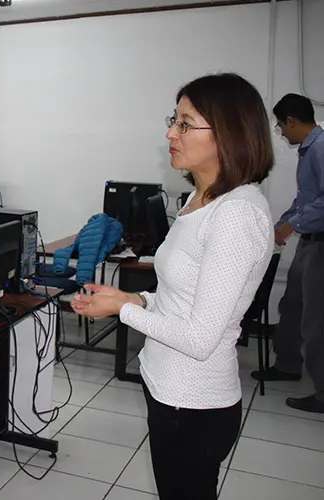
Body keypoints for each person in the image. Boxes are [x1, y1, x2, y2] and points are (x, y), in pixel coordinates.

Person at [72, 73, 274, 500]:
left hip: (194, 403)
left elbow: (201, 339)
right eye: (173, 120)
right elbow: (178, 298)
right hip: (166, 386)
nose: (170, 132)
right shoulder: (199, 200)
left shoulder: (236, 215)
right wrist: (132, 297)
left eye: (185, 123)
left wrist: (122, 312)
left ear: (229, 133)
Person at [252, 93, 324, 413]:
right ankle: (288, 364)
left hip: (320, 242)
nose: (281, 132)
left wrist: (290, 226)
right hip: (309, 239)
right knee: (291, 303)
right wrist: (279, 225)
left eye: (281, 126)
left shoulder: (321, 148)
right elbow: (306, 200)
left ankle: (322, 393)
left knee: (315, 320)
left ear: (292, 120)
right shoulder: (309, 150)